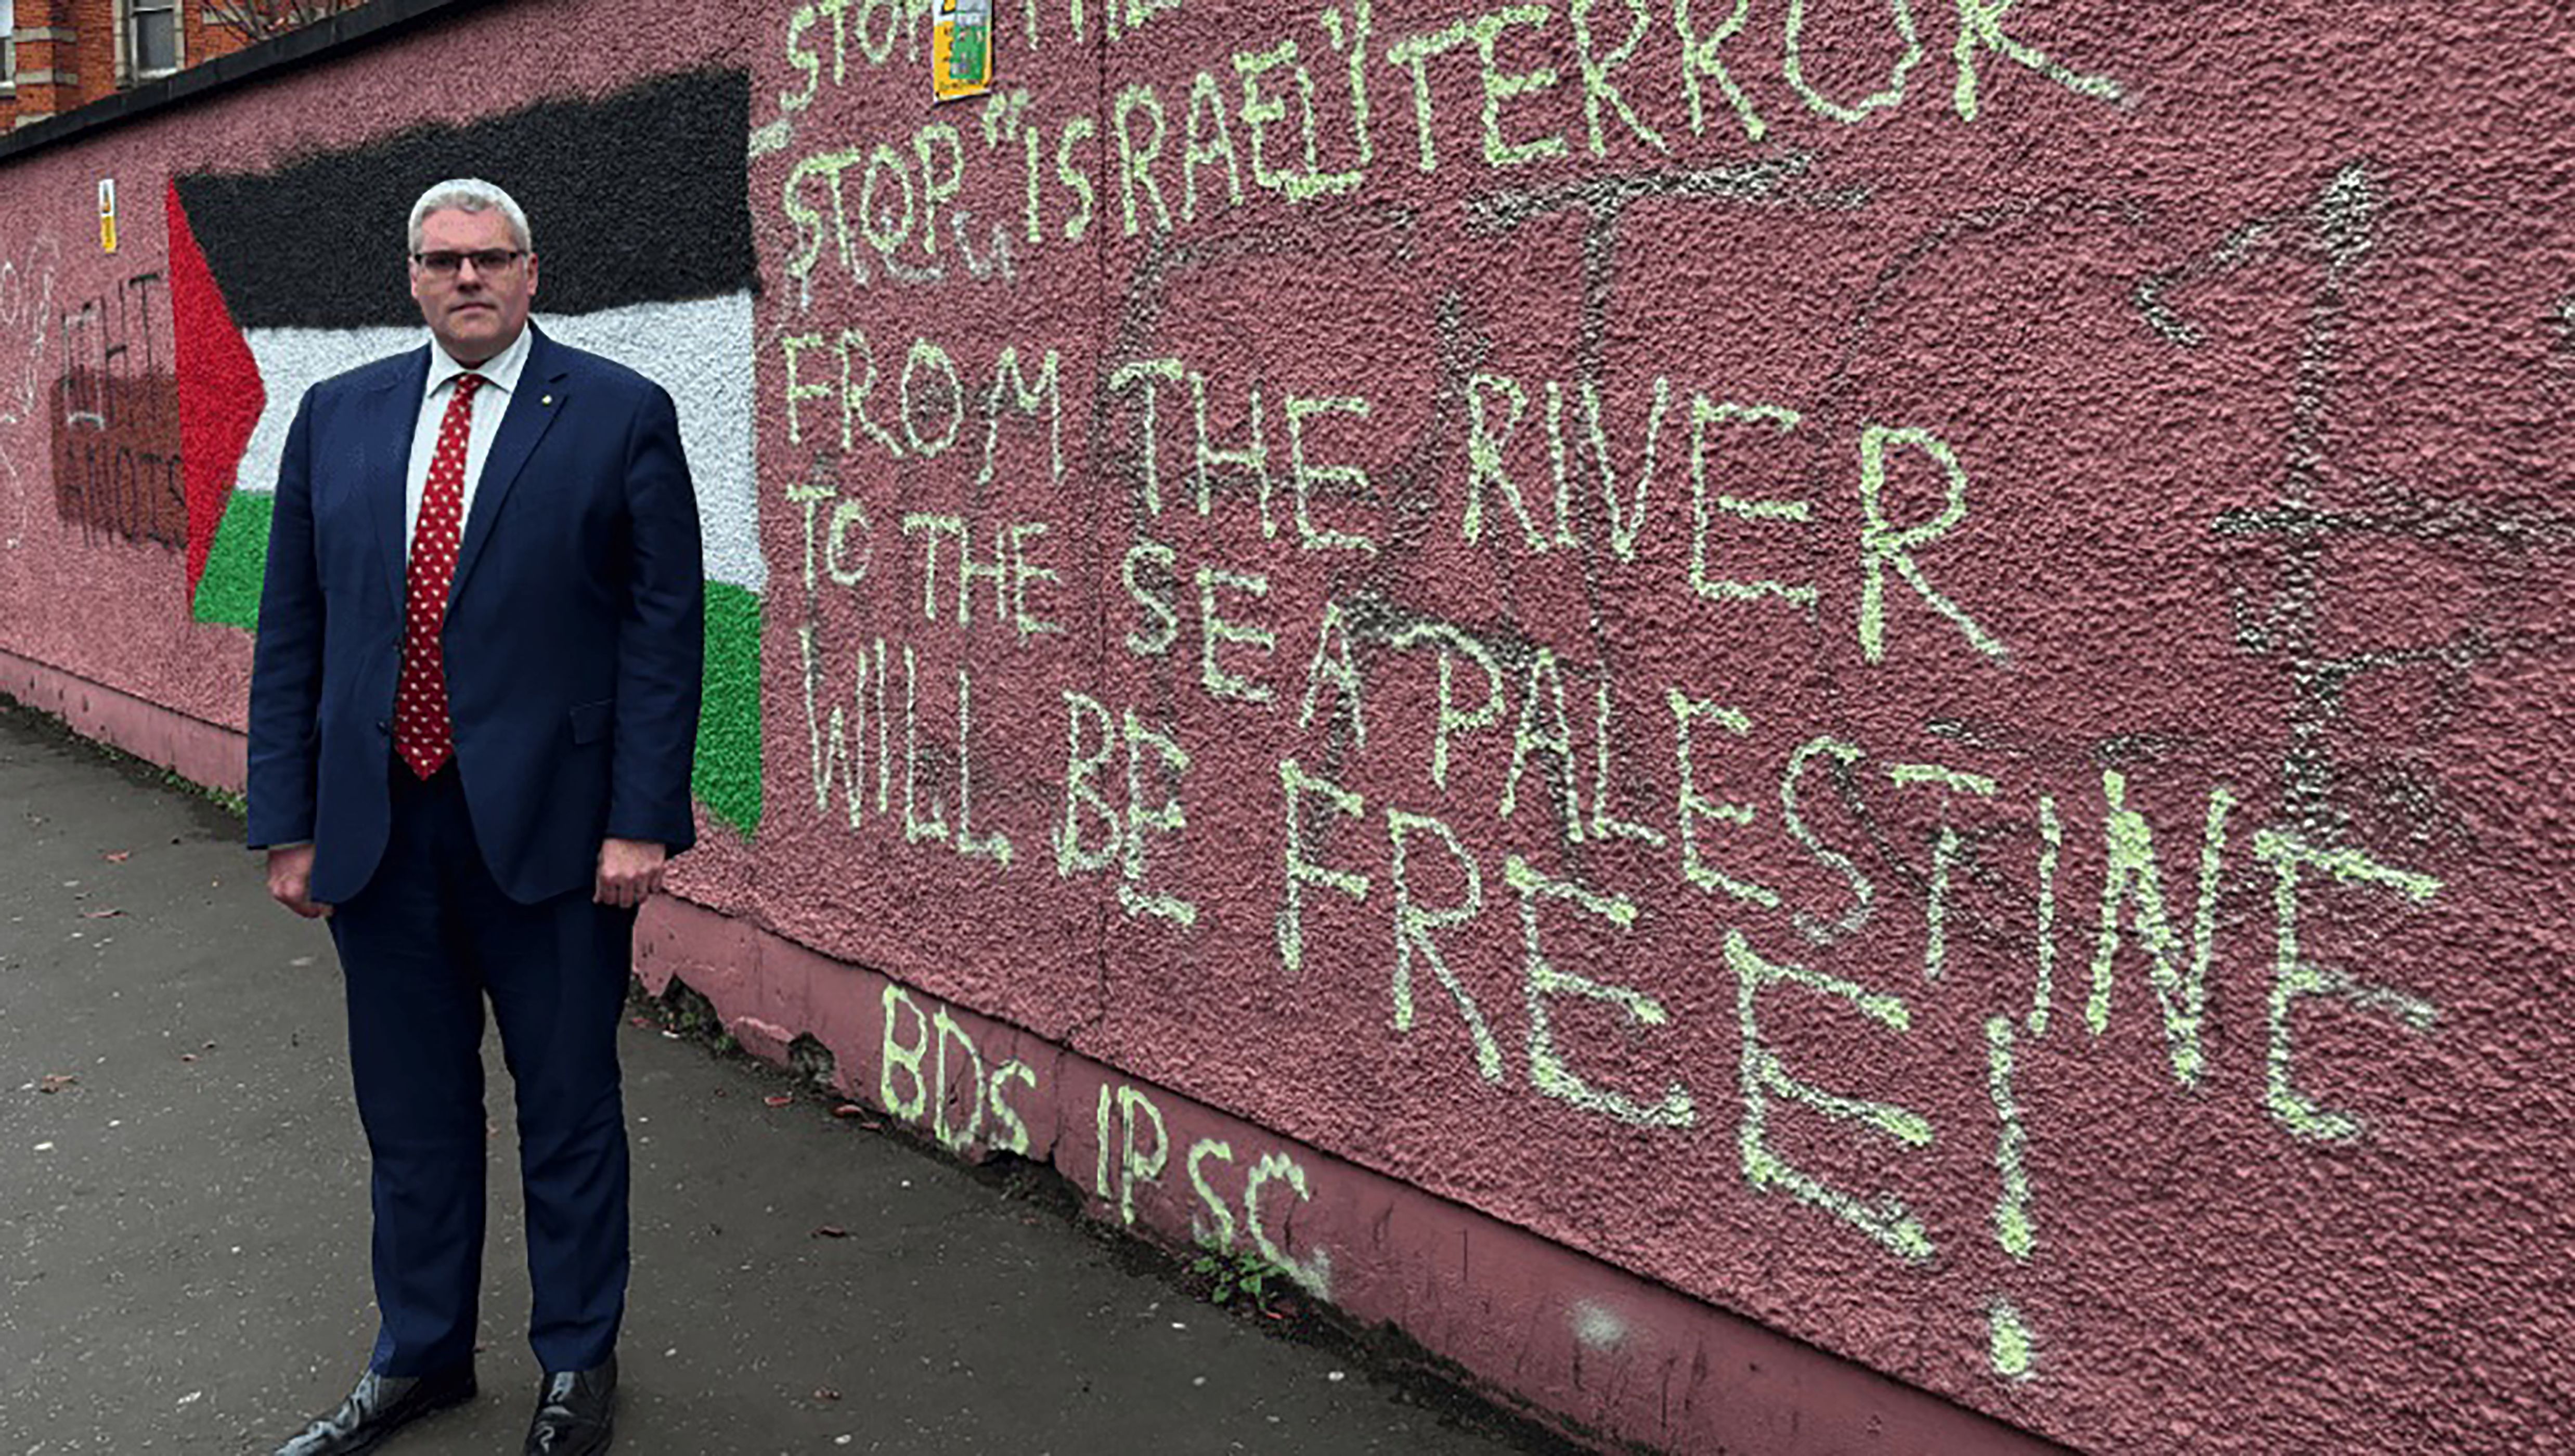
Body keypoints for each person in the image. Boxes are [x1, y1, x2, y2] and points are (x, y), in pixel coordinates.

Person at [246, 177, 702, 1456]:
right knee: (411, 1113)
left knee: (567, 1104)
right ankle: (422, 1354)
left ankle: (574, 1366)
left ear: (531, 272)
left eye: (489, 259)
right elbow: (295, 630)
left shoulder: (618, 415)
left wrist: (640, 819)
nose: (466, 279)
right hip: (380, 834)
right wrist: (290, 819)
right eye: (442, 260)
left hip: (556, 836)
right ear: (410, 277)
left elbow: (664, 635)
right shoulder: (338, 417)